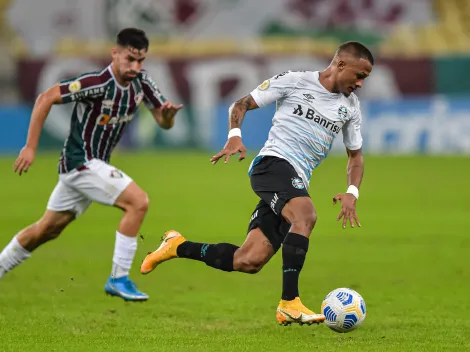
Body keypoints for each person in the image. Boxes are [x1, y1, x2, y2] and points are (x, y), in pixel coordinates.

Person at [140, 41, 372, 323]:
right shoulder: (295, 81)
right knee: (305, 215)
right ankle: (290, 302)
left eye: (366, 78)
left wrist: (352, 192)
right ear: (341, 65)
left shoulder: (350, 107)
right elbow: (241, 104)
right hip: (271, 165)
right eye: (359, 75)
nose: (360, 83)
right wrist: (234, 135)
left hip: (296, 179)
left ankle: (177, 246)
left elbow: (355, 157)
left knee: (248, 260)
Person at [0, 28, 183, 302]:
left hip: (92, 167)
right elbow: (46, 97)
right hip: (81, 163)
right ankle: (118, 278)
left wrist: (168, 117)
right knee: (138, 202)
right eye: (130, 59)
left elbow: (163, 122)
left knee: (45, 230)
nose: (135, 66)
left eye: (140, 60)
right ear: (115, 53)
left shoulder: (142, 83)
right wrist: (30, 146)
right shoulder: (96, 82)